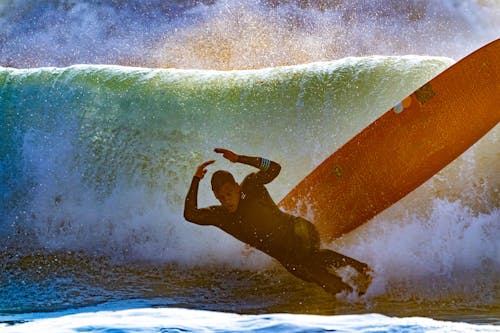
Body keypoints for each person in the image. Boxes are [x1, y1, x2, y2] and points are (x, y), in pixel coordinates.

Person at [184, 148, 371, 296]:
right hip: (288, 258)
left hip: (299, 231)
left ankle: (365, 270)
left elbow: (274, 168)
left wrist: (239, 158)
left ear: (235, 186)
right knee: (314, 275)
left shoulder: (251, 186)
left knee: (310, 256)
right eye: (221, 197)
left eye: (229, 193)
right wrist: (196, 179)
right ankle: (354, 297)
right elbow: (190, 214)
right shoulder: (221, 216)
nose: (227, 201)